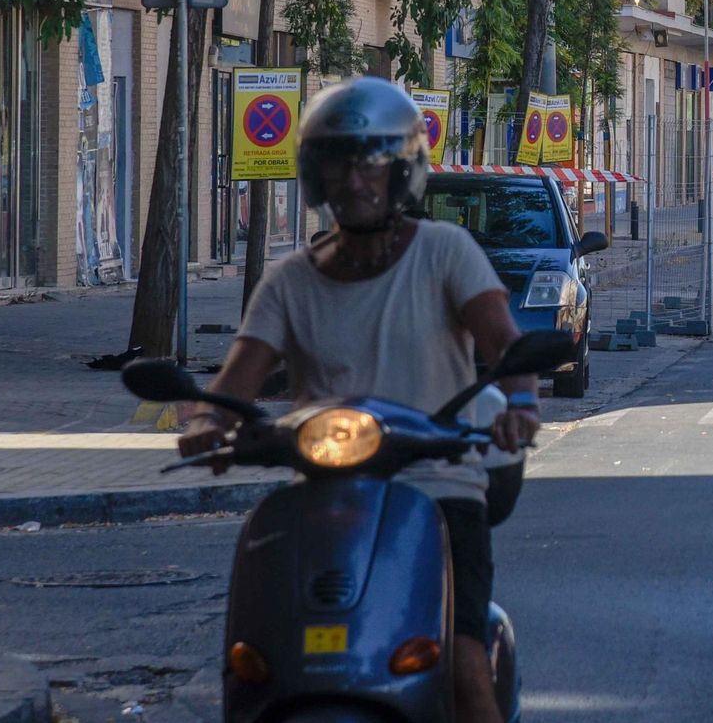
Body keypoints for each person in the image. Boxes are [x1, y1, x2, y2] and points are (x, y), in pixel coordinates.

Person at [178, 77, 534, 723]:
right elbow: (236, 382)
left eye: (372, 162)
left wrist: (521, 405)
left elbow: (506, 345)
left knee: (463, 668)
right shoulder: (288, 284)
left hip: (438, 485)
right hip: (325, 492)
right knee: (256, 665)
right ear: (317, 176)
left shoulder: (444, 253)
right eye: (338, 163)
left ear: (403, 171)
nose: (356, 180)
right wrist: (204, 418)